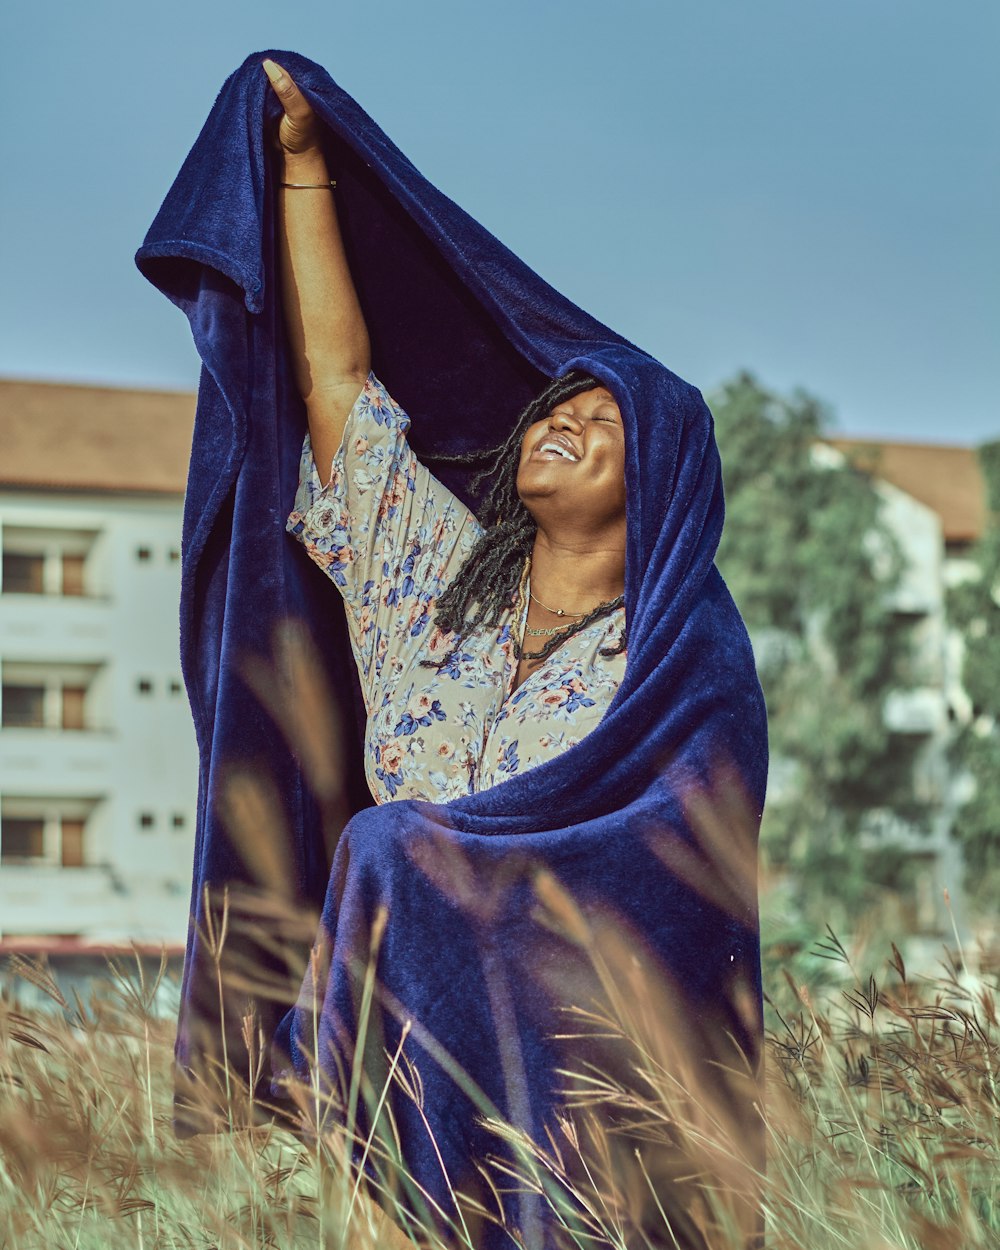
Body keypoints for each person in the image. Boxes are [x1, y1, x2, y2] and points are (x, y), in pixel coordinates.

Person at [264, 58, 630, 803]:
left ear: (663, 480)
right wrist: (302, 161)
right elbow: (337, 382)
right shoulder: (437, 579)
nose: (566, 417)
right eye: (561, 406)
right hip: (390, 922)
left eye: (605, 420)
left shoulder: (668, 658)